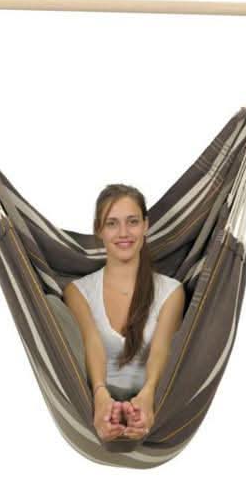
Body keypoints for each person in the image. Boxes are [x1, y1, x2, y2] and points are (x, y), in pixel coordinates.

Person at [63, 184, 185, 444]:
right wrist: (100, 396)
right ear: (98, 230)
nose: (123, 233)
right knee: (52, 306)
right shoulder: (78, 291)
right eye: (112, 224)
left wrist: (147, 396)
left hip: (153, 401)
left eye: (132, 222)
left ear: (146, 225)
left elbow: (162, 349)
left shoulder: (171, 291)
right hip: (93, 401)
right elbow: (91, 343)